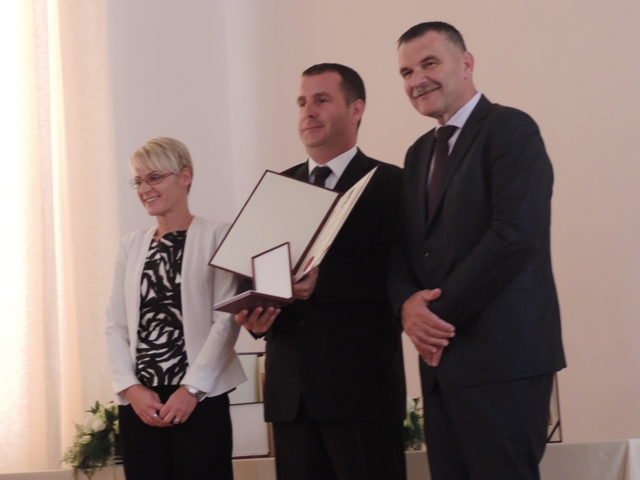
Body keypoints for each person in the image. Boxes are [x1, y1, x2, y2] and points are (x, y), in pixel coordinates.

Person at [388, 22, 566, 480]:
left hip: (504, 359)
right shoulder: (417, 154)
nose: (417, 80)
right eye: (406, 72)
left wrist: (434, 316)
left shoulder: (511, 129)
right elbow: (405, 249)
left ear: (466, 64)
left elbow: (514, 236)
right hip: (441, 366)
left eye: (429, 63)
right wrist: (407, 305)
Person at [235, 64, 406, 480]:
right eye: (301, 102)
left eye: (322, 100)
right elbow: (246, 273)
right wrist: (253, 315)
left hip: (361, 391)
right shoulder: (277, 189)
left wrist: (323, 283)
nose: (307, 112)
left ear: (356, 109)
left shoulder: (392, 184)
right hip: (291, 397)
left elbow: (403, 276)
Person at [105, 137, 246, 480]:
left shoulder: (218, 235)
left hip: (201, 399)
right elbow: (115, 326)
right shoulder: (130, 246)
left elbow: (226, 321)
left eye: (154, 178)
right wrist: (132, 390)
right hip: (142, 405)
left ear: (185, 177)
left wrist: (191, 389)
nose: (144, 189)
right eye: (138, 181)